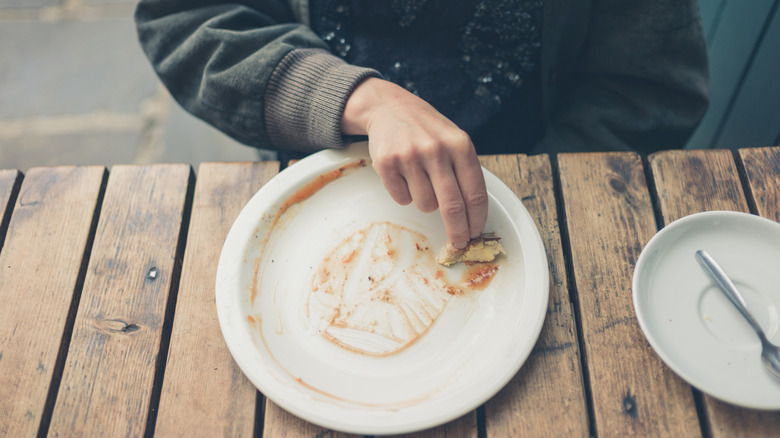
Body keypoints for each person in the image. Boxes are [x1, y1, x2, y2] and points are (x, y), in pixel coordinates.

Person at [134, 0, 709, 248]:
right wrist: (353, 96)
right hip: (316, 166)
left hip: (539, 191)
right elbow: (186, 18)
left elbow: (648, 85)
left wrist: (530, 196)